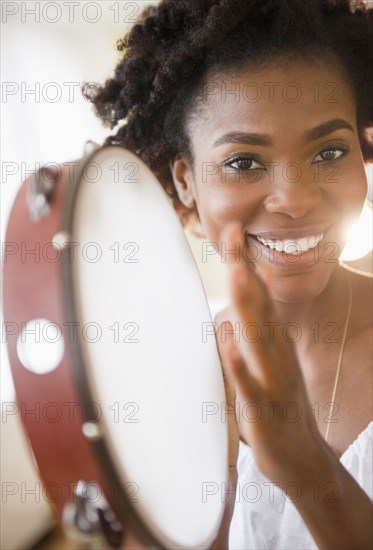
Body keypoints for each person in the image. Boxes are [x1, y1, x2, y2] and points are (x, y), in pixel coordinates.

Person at [86, 0, 373, 547]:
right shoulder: (174, 370)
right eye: (244, 162)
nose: (294, 199)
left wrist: (308, 468)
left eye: (330, 150)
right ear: (187, 182)